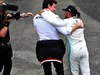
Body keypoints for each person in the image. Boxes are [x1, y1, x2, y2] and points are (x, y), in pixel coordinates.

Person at [38, 5, 91, 75]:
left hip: (74, 51)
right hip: (84, 50)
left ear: (69, 13)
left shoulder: (66, 22)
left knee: (74, 71)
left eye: (65, 12)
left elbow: (53, 22)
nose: (64, 13)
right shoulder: (80, 21)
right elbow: (65, 31)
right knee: (86, 71)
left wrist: (43, 13)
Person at [0, 1, 33, 75]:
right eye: (3, 8)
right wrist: (7, 23)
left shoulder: (3, 16)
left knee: (8, 65)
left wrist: (24, 15)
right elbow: (2, 34)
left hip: (5, 47)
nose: (5, 10)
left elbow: (13, 15)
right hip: (1, 46)